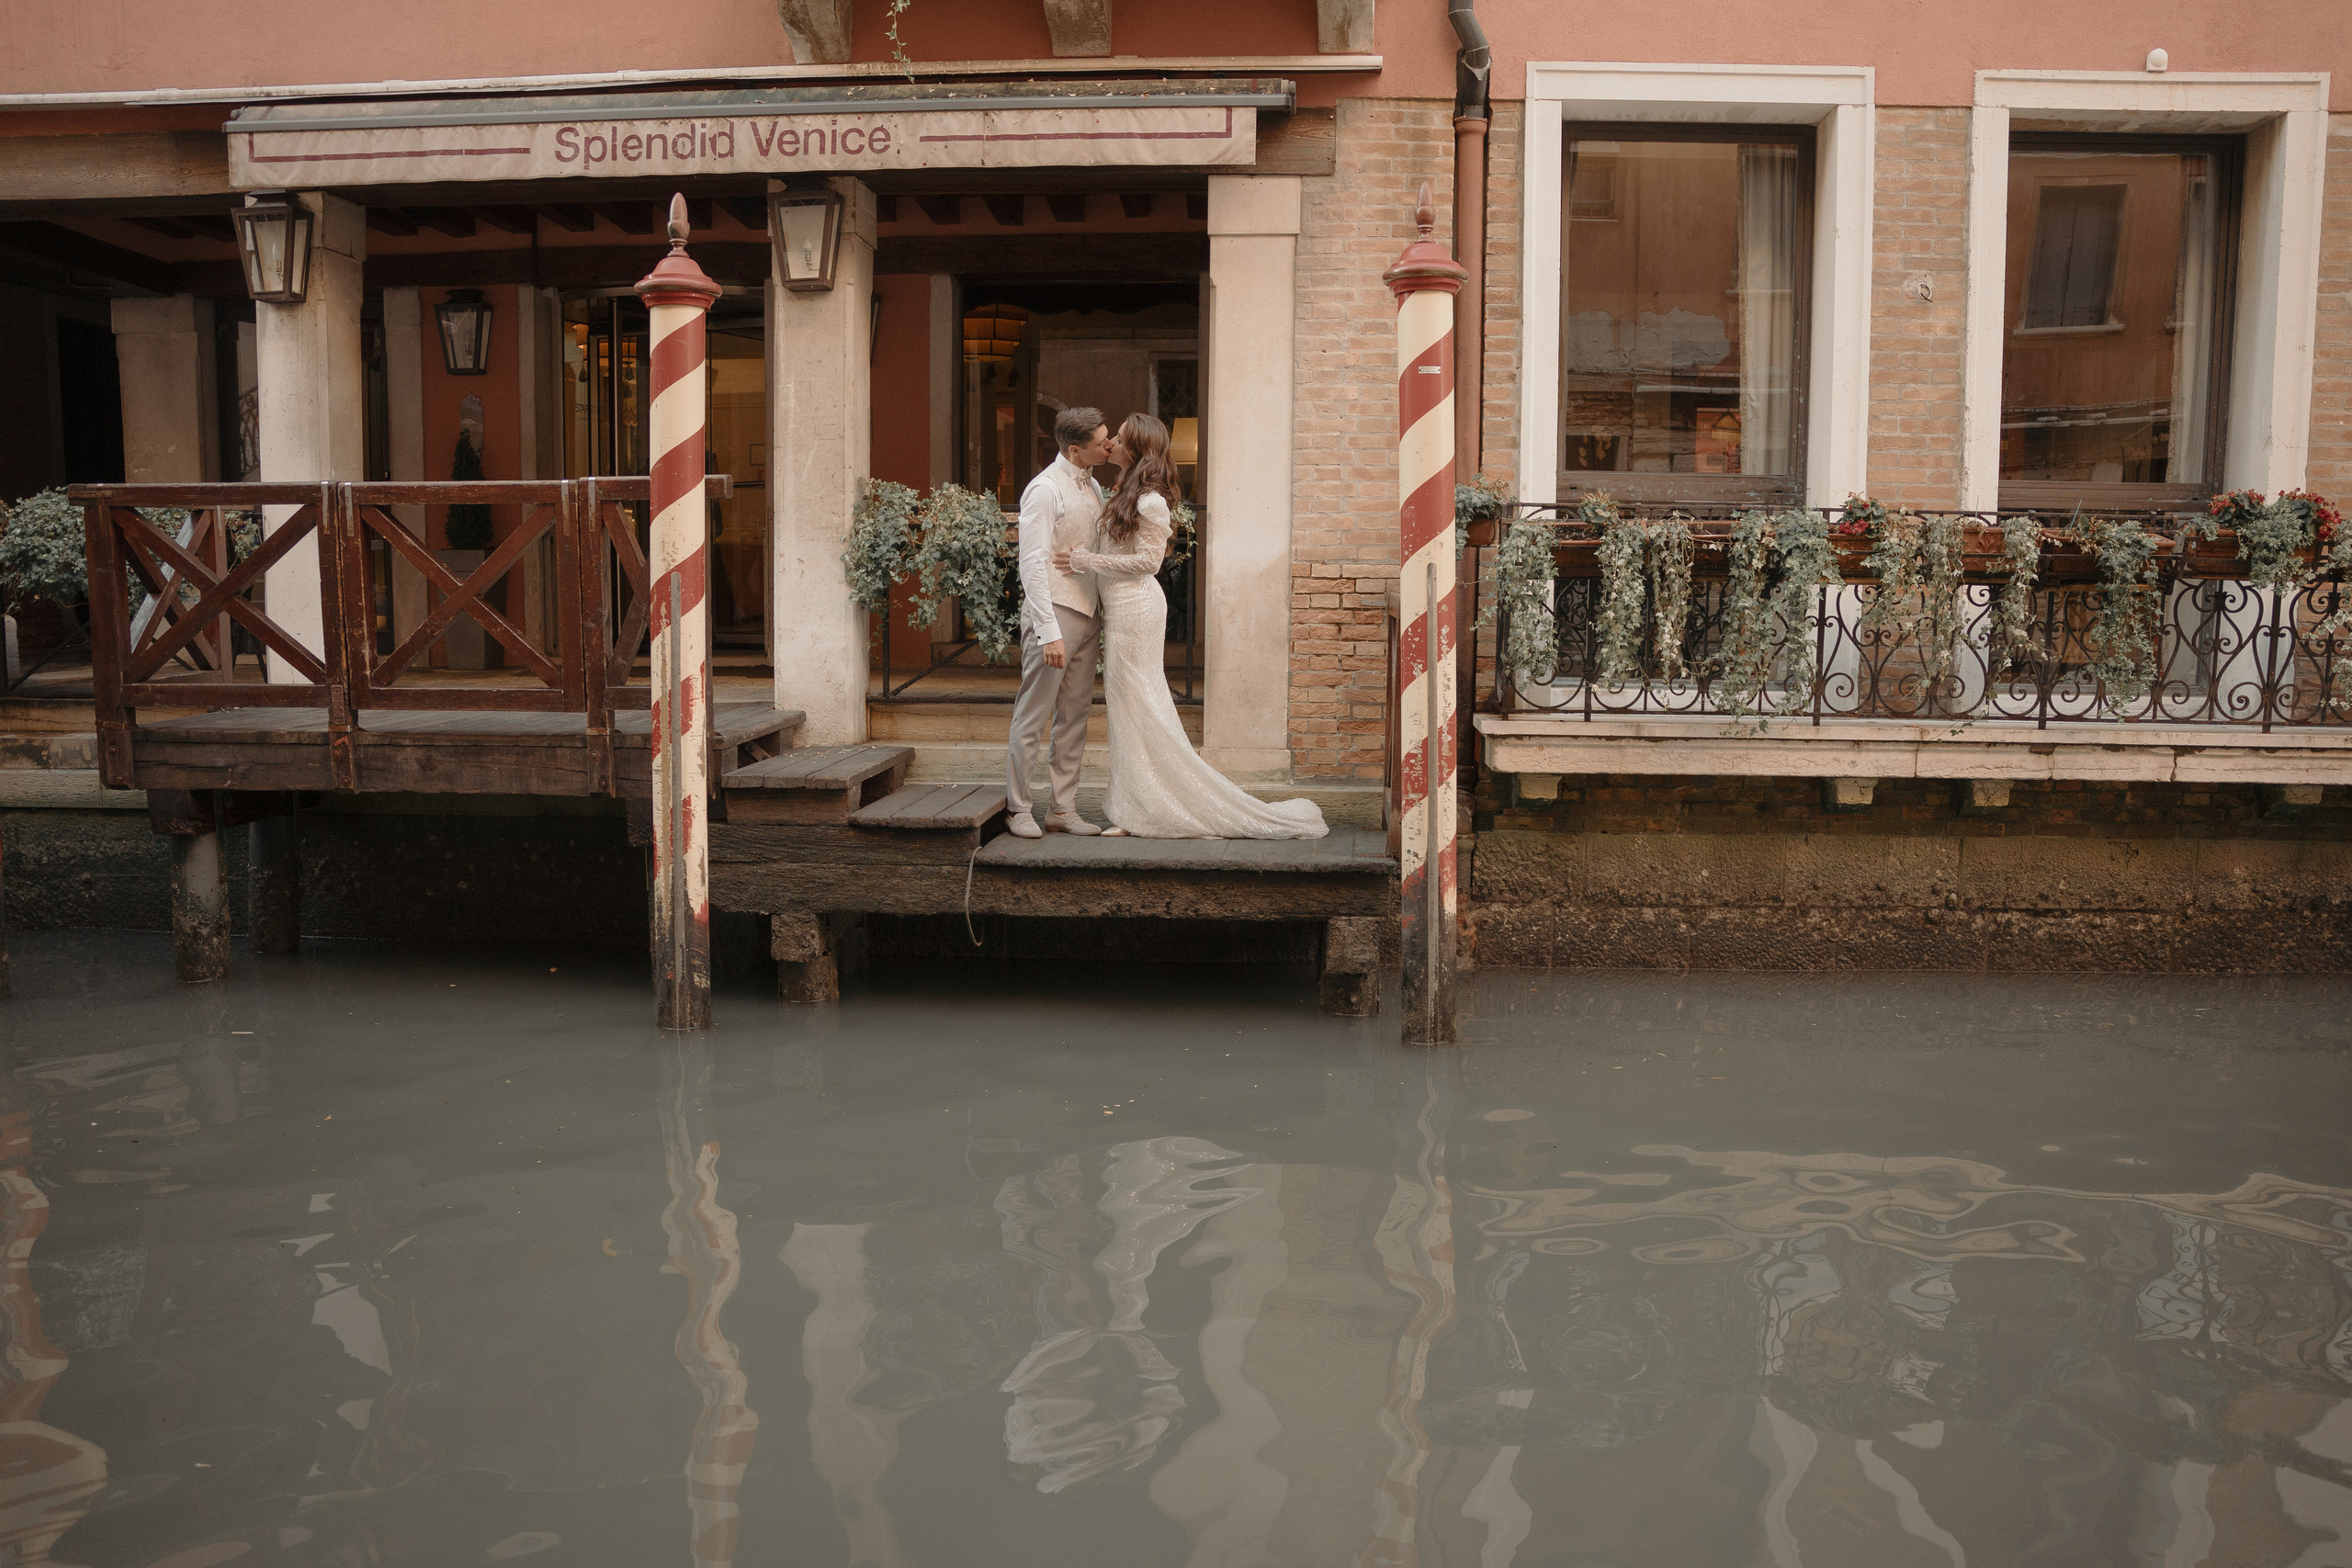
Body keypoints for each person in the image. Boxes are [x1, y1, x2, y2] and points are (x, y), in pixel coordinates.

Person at [1057, 414, 1328, 840]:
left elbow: (1149, 563)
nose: (1111, 444)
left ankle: (1147, 810)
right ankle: (1139, 805)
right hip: (1120, 609)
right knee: (1129, 708)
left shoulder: (1150, 500)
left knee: (1140, 706)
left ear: (1136, 449)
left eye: (1119, 439)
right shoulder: (1125, 490)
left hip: (1137, 608)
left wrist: (1085, 561)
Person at [1004, 405, 1114, 838]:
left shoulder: (1094, 485)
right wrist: (1048, 631)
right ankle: (1018, 809)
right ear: (1075, 450)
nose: (1110, 445)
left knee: (1074, 716)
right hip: (1054, 613)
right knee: (1033, 714)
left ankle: (1062, 810)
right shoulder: (1044, 489)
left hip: (1088, 612)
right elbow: (1031, 564)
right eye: (1102, 442)